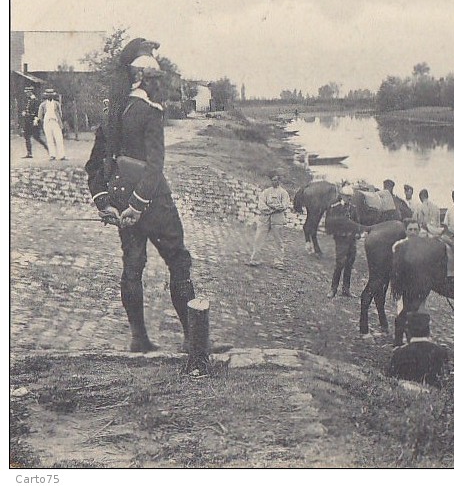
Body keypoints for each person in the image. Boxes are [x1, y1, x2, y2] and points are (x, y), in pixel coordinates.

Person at [84, 49, 228, 358]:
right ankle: (193, 340)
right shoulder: (150, 112)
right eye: (155, 80)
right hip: (154, 204)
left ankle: (139, 340)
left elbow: (94, 166)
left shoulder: (113, 113)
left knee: (132, 268)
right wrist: (138, 205)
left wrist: (104, 203)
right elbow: (154, 166)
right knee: (178, 262)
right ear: (141, 79)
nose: (158, 86)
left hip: (121, 204)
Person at [387, 312, 449, 388]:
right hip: (434, 397)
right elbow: (445, 380)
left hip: (405, 396)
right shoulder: (441, 352)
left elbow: (391, 381)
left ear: (407, 332)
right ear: (428, 331)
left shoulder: (399, 353)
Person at [247, 174, 291, 269]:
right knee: (258, 238)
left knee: (279, 241)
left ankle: (279, 261)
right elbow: (261, 204)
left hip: (278, 219)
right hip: (265, 218)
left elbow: (284, 205)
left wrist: (273, 207)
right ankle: (255, 259)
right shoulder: (266, 192)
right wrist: (270, 209)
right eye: (272, 180)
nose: (274, 182)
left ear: (279, 181)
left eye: (276, 180)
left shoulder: (284, 193)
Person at [326, 185, 361, 298]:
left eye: (350, 197)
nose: (349, 199)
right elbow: (330, 223)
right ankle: (333, 289)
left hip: (351, 240)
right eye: (347, 196)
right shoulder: (335, 208)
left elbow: (357, 223)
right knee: (340, 263)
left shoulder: (353, 208)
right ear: (341, 196)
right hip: (341, 240)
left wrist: (358, 233)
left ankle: (346, 289)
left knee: (349, 264)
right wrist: (337, 232)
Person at [19, 87, 49, 158]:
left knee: (36, 137)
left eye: (27, 92)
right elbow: (26, 109)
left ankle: (47, 148)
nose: (26, 94)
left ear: (31, 92)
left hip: (33, 121)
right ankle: (29, 153)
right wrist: (24, 112)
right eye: (26, 92)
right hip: (27, 121)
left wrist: (36, 119)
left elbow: (37, 111)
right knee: (26, 137)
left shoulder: (35, 100)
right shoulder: (27, 100)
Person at [37, 89, 66, 160]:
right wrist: (41, 121)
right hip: (47, 122)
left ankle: (62, 155)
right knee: (49, 139)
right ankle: (52, 155)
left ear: (53, 96)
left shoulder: (56, 104)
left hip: (55, 122)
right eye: (48, 95)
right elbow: (40, 115)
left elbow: (60, 113)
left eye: (51, 95)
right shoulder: (43, 105)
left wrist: (60, 122)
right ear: (46, 96)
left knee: (59, 138)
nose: (49, 96)